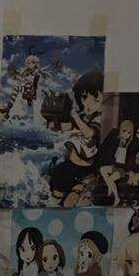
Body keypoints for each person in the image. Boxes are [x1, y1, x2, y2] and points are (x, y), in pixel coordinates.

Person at [47, 69, 103, 206]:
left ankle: (76, 191)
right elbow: (69, 126)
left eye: (95, 99)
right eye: (83, 98)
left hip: (86, 170)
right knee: (55, 196)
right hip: (69, 166)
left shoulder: (99, 118)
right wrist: (55, 125)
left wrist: (75, 116)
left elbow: (89, 133)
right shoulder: (83, 116)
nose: (86, 104)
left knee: (69, 202)